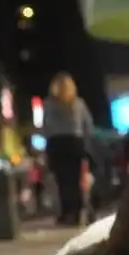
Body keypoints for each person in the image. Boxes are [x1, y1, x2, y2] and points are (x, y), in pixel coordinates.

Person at [42, 72, 94, 226]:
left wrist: (48, 142)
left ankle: (65, 213)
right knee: (76, 180)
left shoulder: (48, 104)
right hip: (74, 143)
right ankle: (77, 213)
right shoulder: (79, 103)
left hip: (56, 143)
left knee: (62, 180)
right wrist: (84, 142)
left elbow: (45, 126)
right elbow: (88, 125)